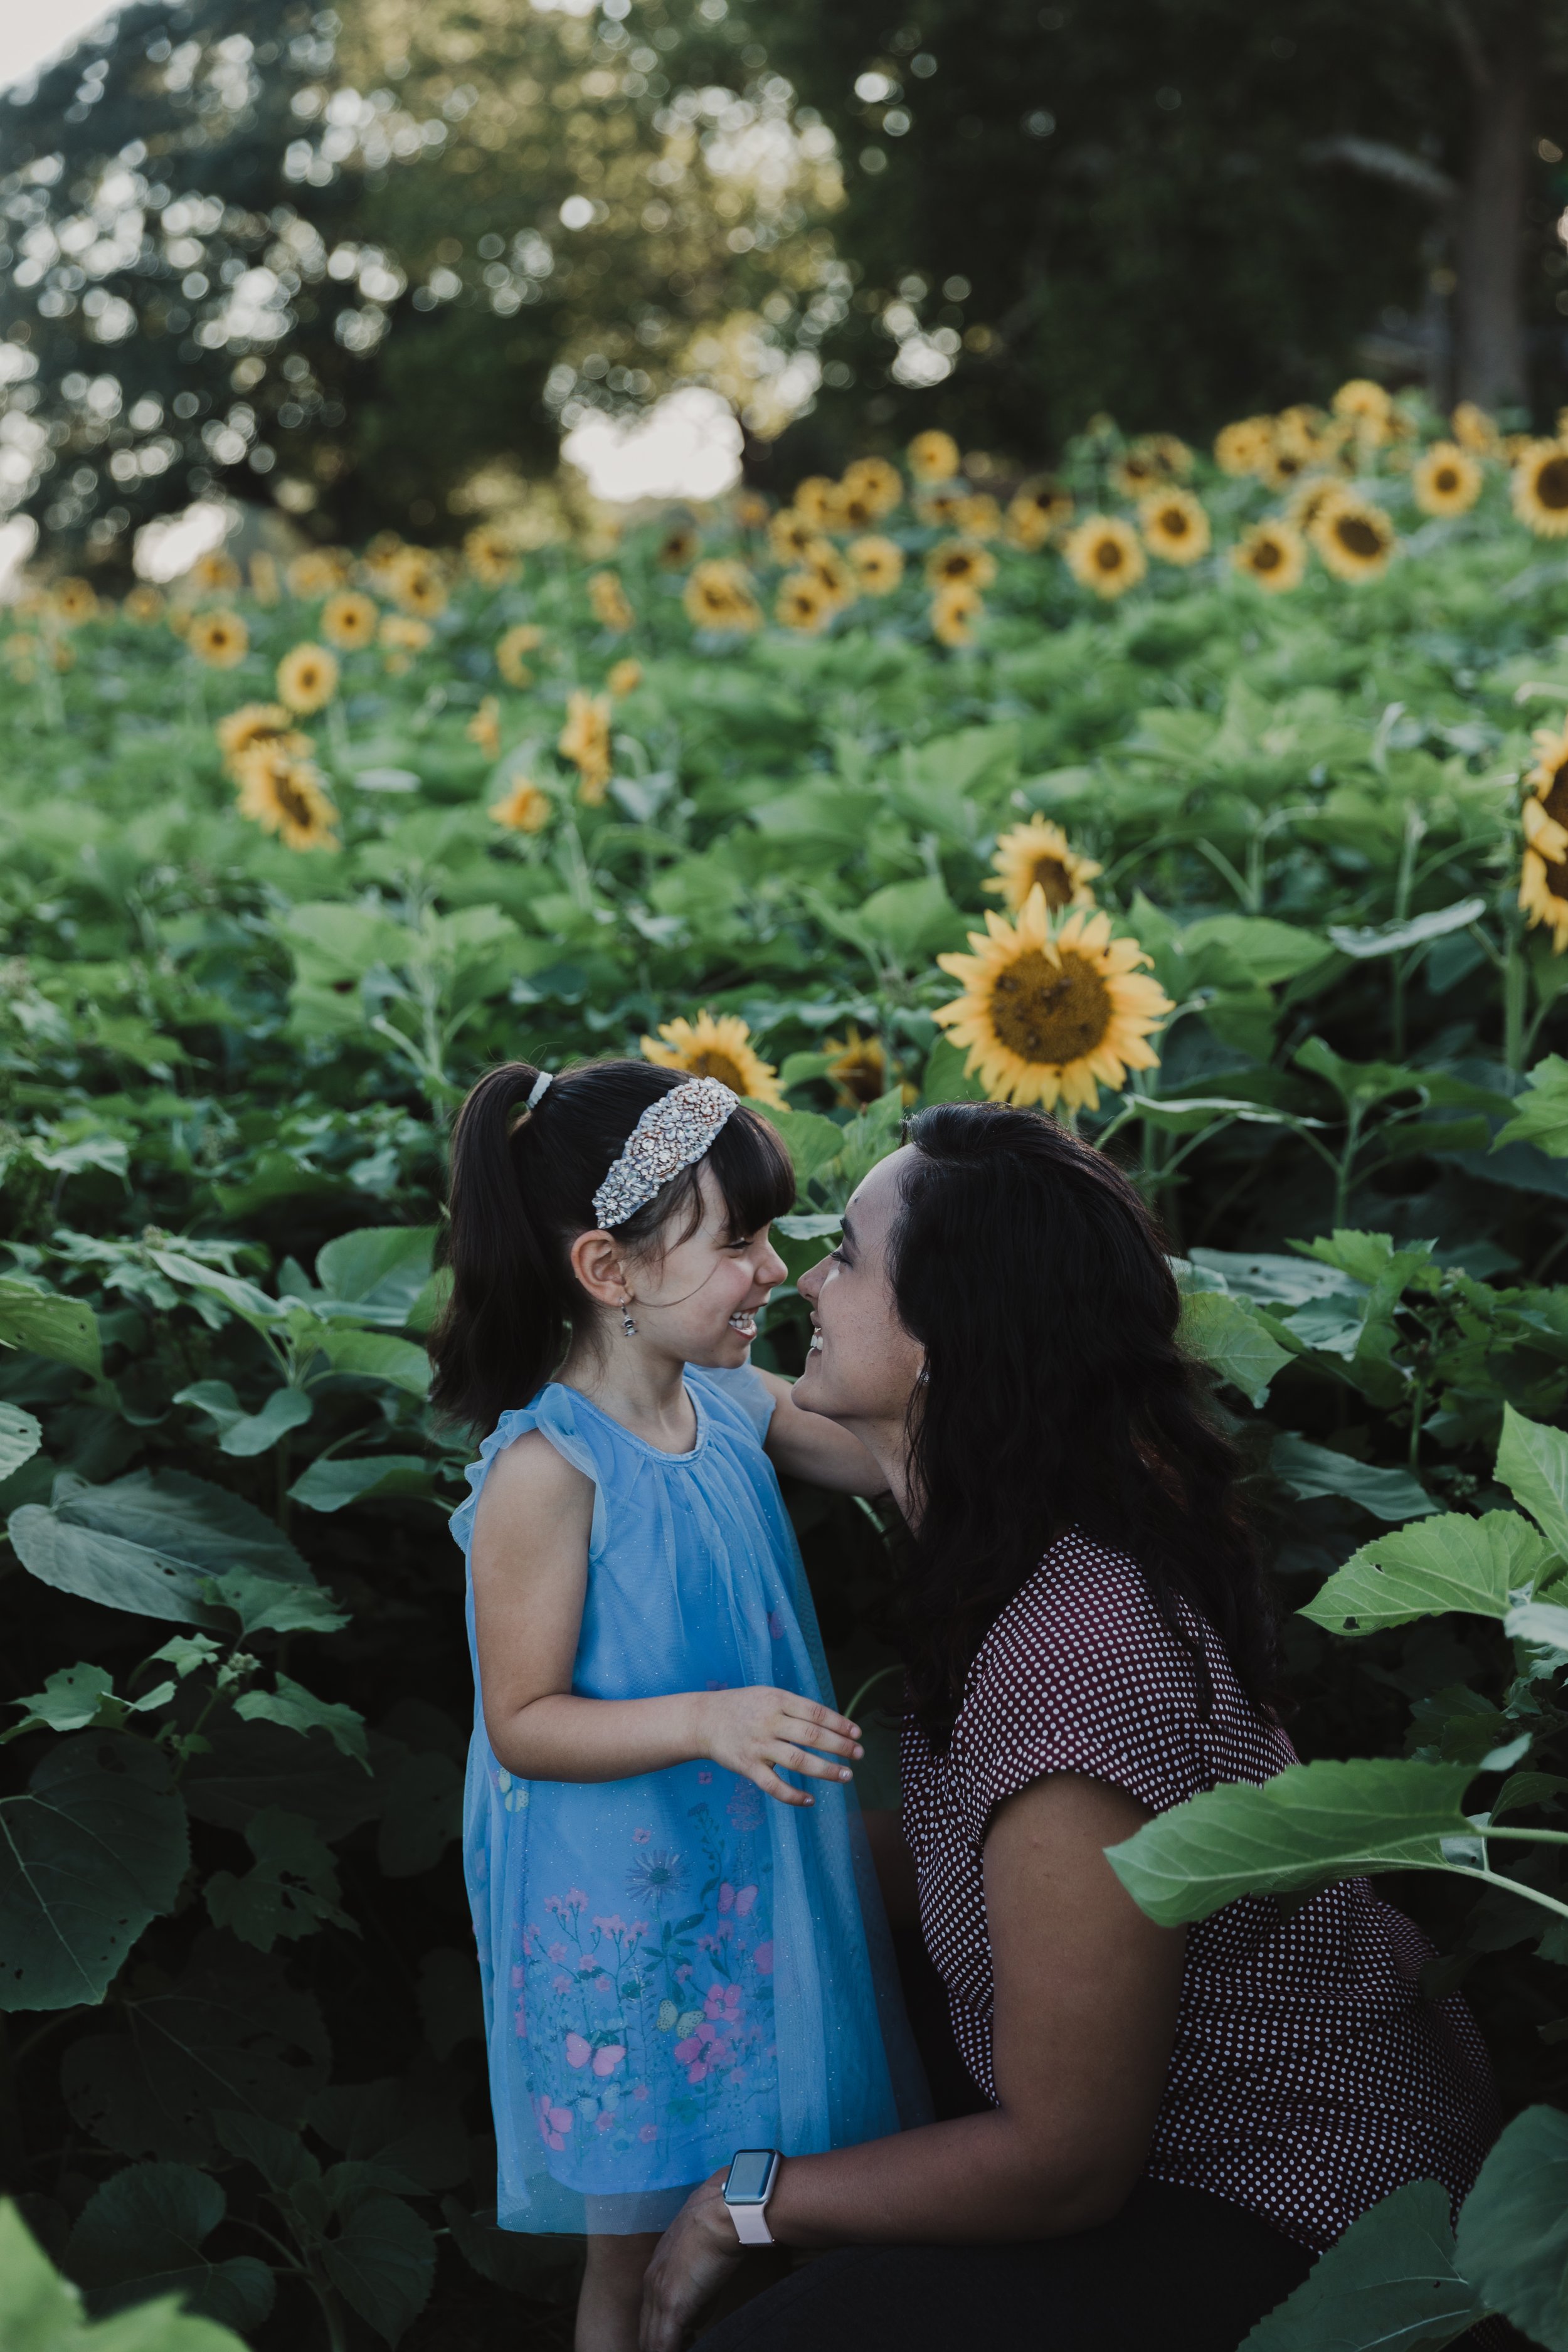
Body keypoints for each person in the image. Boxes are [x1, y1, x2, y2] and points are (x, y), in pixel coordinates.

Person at [640, 1101, 1500, 2352]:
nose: (805, 1281)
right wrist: (691, 1875)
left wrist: (746, 2205)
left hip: (1303, 2215)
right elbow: (971, 1861)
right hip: (1188, 2139)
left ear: (940, 1337)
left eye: (848, 1258)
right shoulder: (1022, 1523)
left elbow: (1061, 2165)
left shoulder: (1073, 1667)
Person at [430, 1060, 926, 2352]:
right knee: (636, 2239)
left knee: (771, 2172)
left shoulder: (725, 1403)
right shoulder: (548, 1472)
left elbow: (888, 1457)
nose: (773, 1271)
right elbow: (524, 1718)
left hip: (747, 1859)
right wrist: (706, 1720)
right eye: (739, 1244)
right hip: (622, 1896)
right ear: (608, 1271)